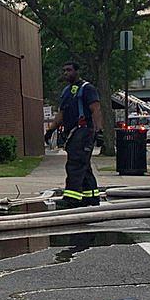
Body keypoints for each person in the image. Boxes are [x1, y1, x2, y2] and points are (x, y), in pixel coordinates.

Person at [44, 61, 104, 208]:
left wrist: (99, 131)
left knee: (75, 165)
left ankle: (72, 198)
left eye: (69, 70)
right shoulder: (66, 91)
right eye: (64, 70)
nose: (66, 73)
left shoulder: (87, 89)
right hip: (72, 134)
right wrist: (51, 130)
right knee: (83, 165)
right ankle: (91, 197)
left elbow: (96, 109)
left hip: (83, 131)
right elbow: (62, 113)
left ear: (77, 71)